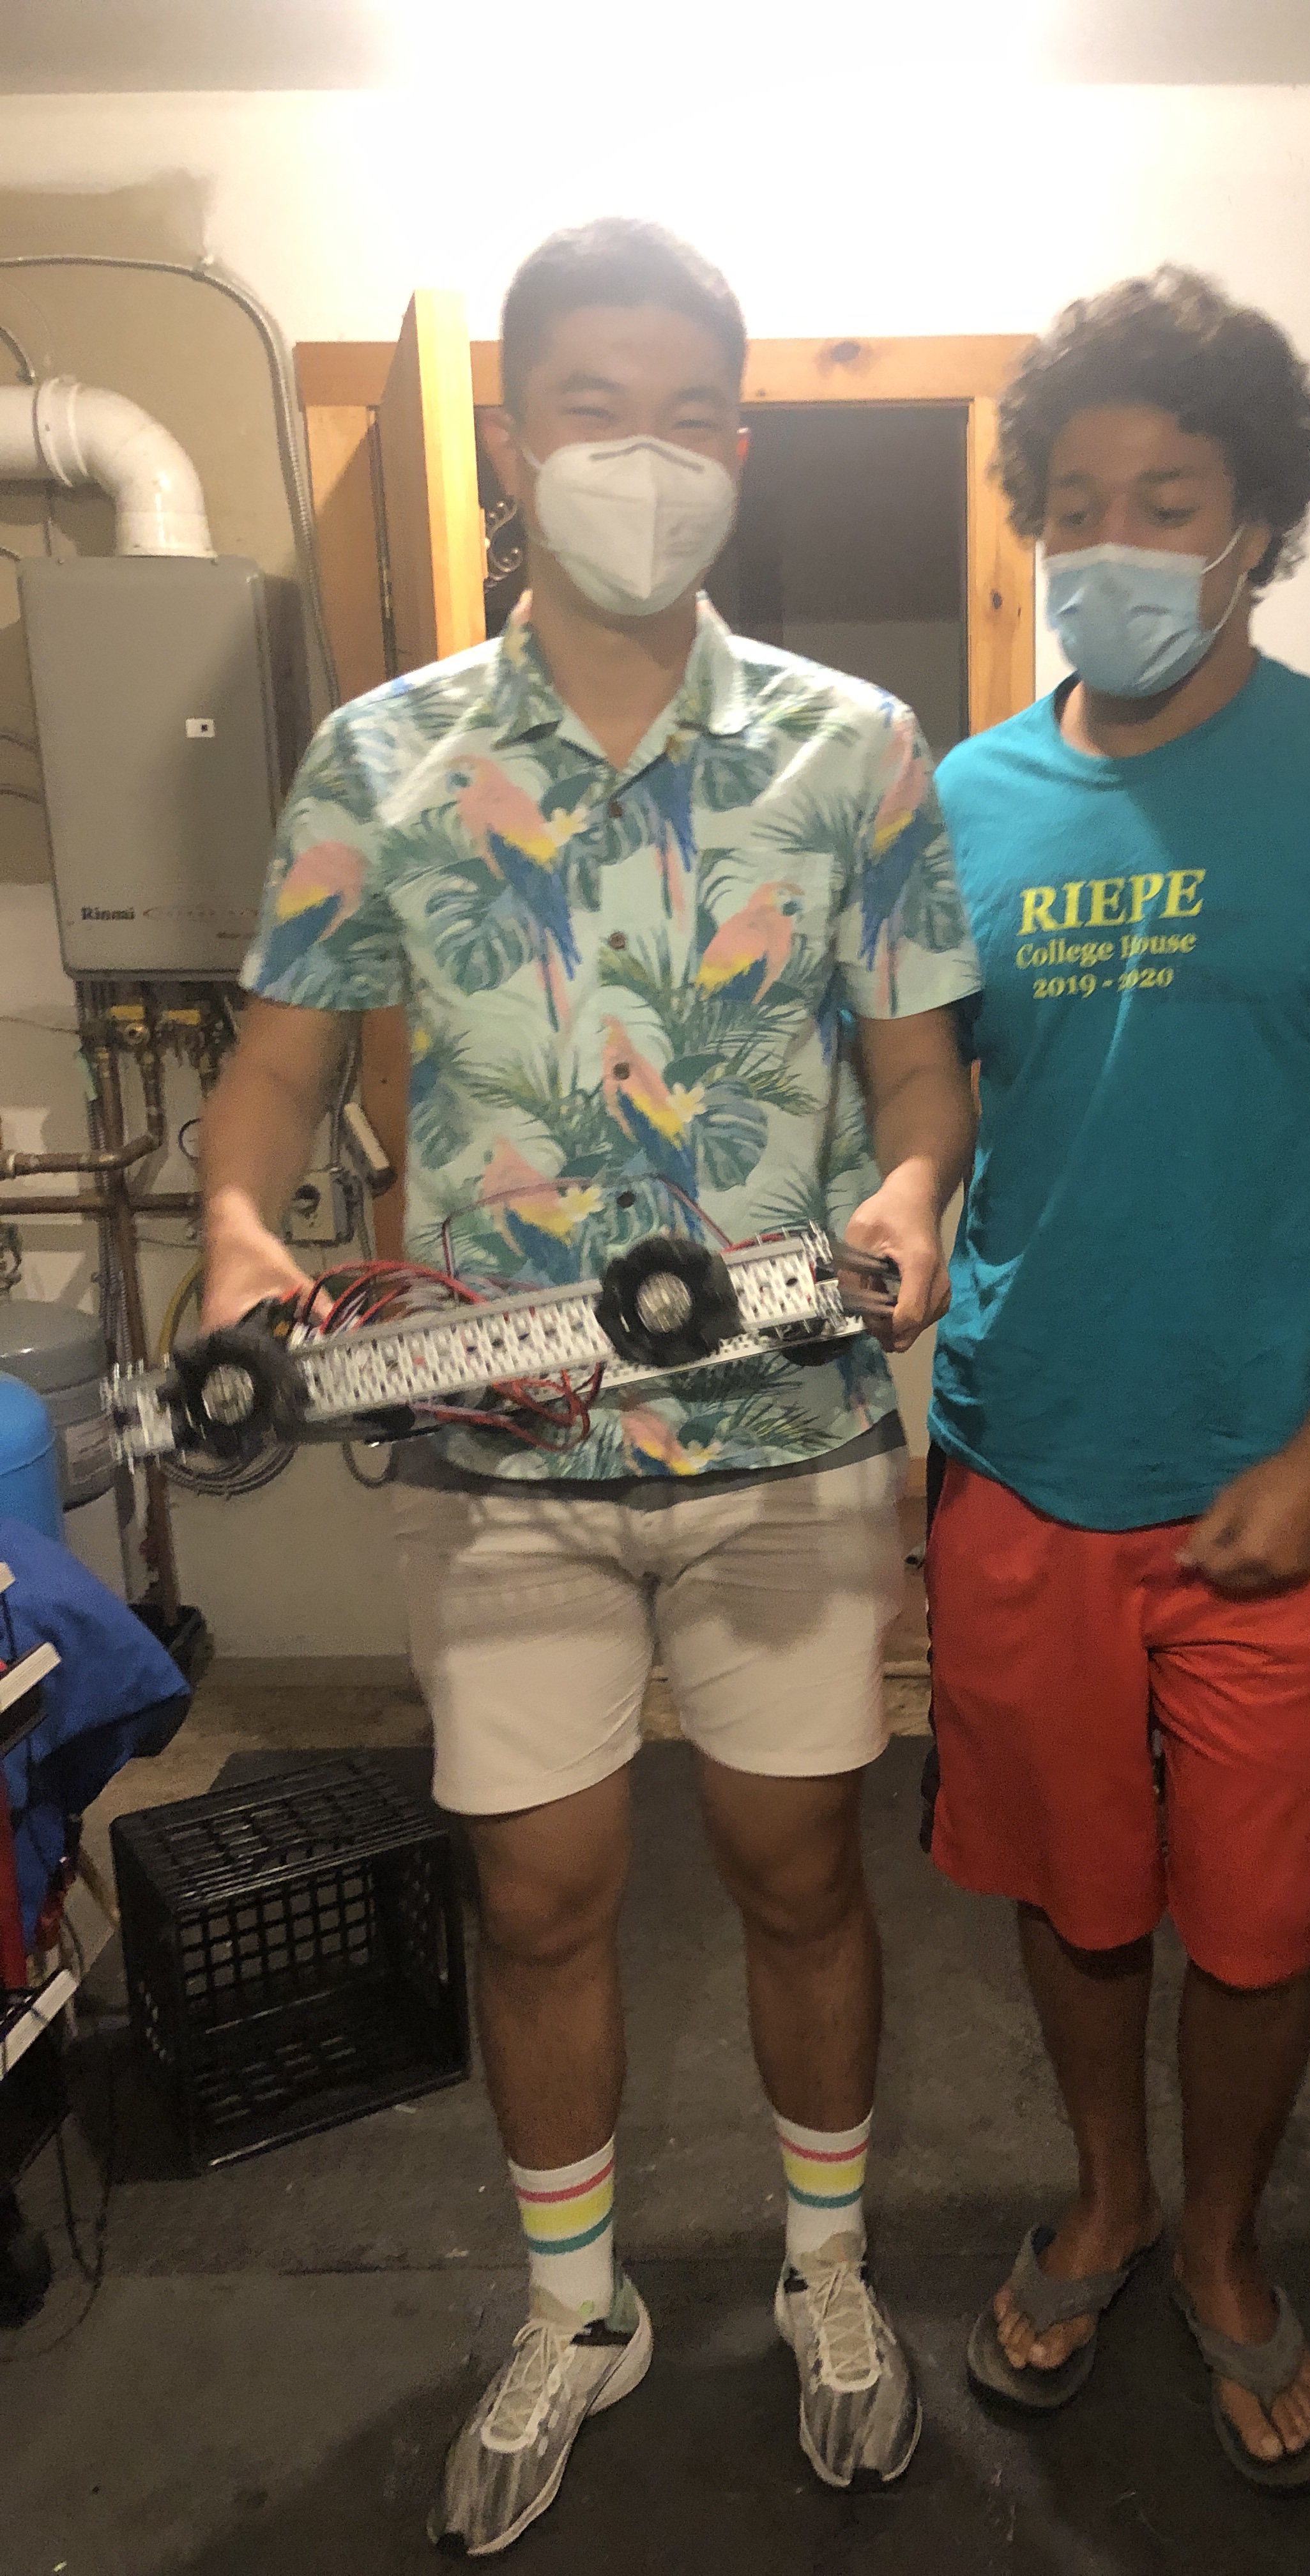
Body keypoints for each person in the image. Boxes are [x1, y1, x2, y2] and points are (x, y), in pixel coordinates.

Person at [199, 218, 980, 2554]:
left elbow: (920, 1079)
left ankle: (827, 2271)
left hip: (787, 1430)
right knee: (536, 1895)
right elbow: (276, 1071)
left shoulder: (858, 753)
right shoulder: (383, 758)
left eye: (692, 413)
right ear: (515, 443)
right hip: (495, 1438)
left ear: (741, 443)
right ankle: (581, 2309)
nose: (647, 454)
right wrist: (242, 1230)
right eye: (593, 407)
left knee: (800, 1868)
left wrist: (916, 1197)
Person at [924, 266, 1310, 2492]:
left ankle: (1221, 2246)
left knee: (1261, 1919)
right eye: (1074, 502)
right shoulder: (961, 801)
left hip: (1284, 1488)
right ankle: (1107, 2203)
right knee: (1076, 1893)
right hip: (1023, 1461)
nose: (1111, 541)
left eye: (1166, 499)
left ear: (1257, 523)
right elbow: (926, 1121)